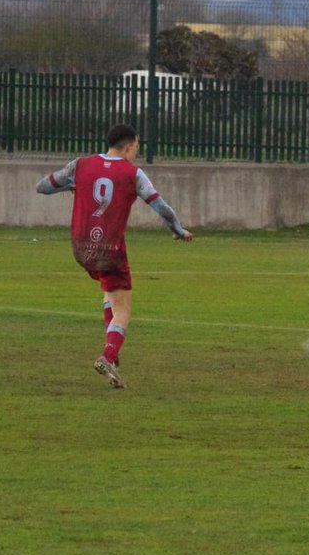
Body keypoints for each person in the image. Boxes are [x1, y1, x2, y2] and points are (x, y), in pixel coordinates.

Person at [37, 123, 193, 388]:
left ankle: (114, 356)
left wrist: (73, 186)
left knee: (110, 293)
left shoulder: (80, 165)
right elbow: (162, 208)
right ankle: (108, 356)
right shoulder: (133, 174)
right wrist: (178, 230)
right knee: (123, 309)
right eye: (136, 148)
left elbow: (43, 187)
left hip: (81, 247)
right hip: (110, 249)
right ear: (130, 145)